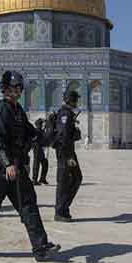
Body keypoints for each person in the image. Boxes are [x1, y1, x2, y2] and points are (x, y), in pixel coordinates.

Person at [0, 71, 60, 262]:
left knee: (28, 205)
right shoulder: (0, 111)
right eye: (14, 87)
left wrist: (51, 128)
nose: (18, 91)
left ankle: (40, 247)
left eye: (20, 88)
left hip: (17, 165)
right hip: (0, 167)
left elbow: (33, 134)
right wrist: (6, 163)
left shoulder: (18, 111)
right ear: (5, 89)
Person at [54, 90, 83, 222]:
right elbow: (63, 135)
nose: (77, 102)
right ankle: (60, 211)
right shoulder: (65, 114)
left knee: (75, 178)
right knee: (64, 181)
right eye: (75, 99)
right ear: (71, 100)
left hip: (68, 151)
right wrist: (69, 156)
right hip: (65, 153)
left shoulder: (68, 113)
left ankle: (64, 208)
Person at [32, 118, 49, 186]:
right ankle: (35, 180)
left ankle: (42, 179)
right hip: (37, 149)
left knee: (44, 163)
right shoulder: (37, 131)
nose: (42, 125)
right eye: (41, 124)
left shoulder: (39, 131)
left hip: (40, 150)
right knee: (37, 164)